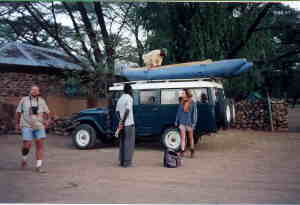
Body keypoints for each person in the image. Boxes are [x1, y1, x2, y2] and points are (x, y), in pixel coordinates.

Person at [15, 85, 50, 173]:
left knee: (39, 145)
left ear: (39, 92)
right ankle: (24, 158)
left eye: (36, 90)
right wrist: (16, 123)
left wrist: (47, 121)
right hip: (26, 125)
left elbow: (47, 112)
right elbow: (18, 112)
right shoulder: (24, 100)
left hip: (39, 126)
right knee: (27, 144)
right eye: (32, 90)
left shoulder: (42, 101)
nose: (34, 91)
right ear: (30, 91)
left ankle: (38, 166)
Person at [115, 84, 135, 167]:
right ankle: (127, 163)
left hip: (122, 124)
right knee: (129, 143)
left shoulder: (120, 99)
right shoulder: (129, 98)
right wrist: (123, 121)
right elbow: (128, 109)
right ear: (129, 90)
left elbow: (116, 112)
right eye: (131, 90)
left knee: (122, 142)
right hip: (128, 124)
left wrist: (120, 121)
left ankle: (122, 162)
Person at [175, 89, 198, 158]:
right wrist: (176, 121)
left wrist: (194, 123)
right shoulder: (181, 102)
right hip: (182, 122)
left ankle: (192, 151)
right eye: (181, 93)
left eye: (183, 93)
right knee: (183, 138)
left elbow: (195, 114)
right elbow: (179, 113)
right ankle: (182, 151)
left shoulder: (192, 102)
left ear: (186, 94)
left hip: (190, 123)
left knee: (191, 138)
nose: (181, 94)